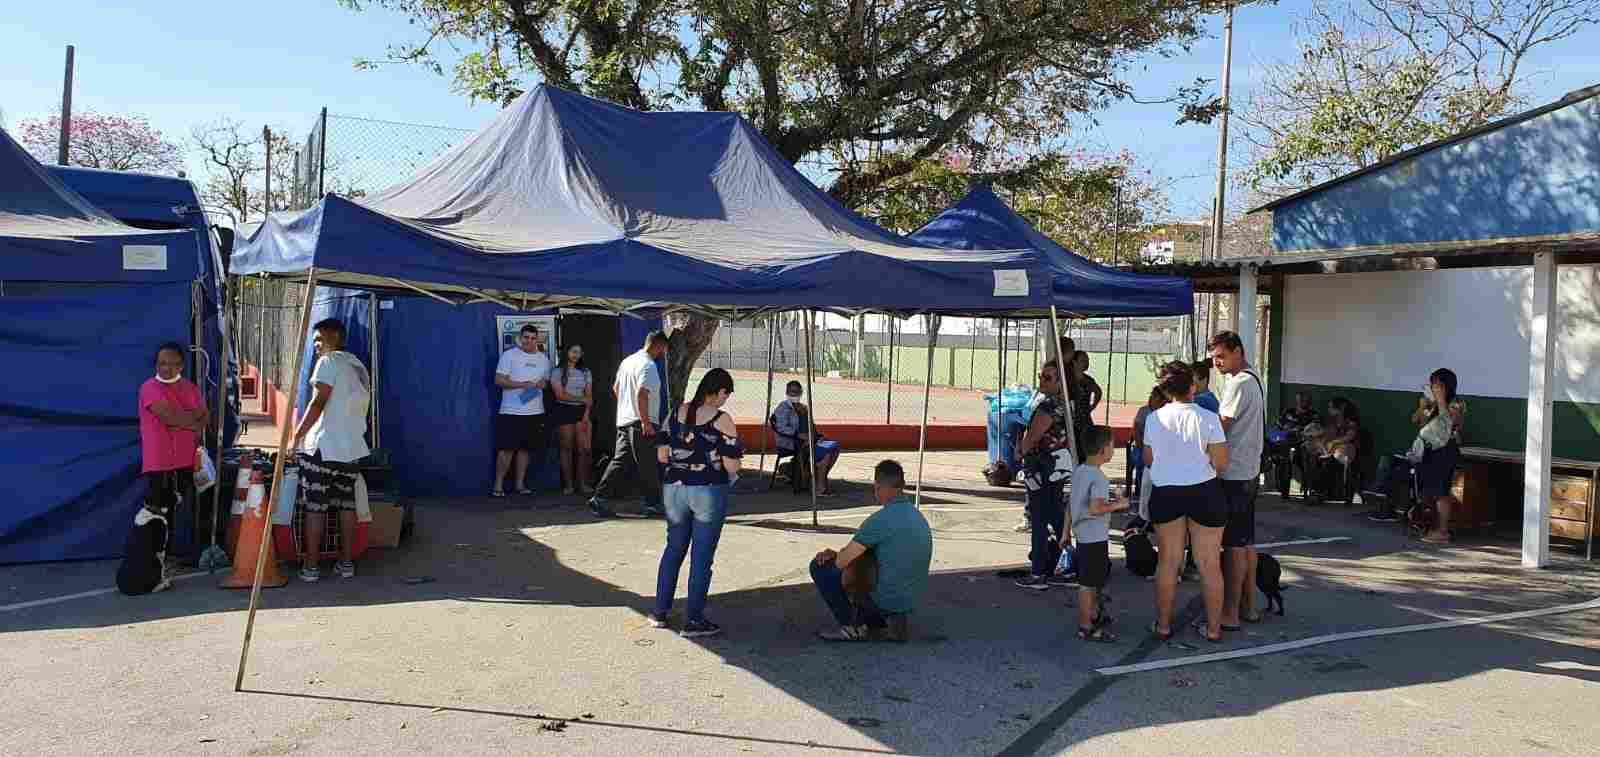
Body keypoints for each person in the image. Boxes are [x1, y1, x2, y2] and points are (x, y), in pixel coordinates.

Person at [650, 368, 743, 637]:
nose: (726, 400)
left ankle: (659, 612)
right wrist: (734, 471)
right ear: (720, 392)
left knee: (673, 550)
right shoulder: (722, 419)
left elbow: (662, 456)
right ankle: (693, 620)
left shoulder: (675, 412)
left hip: (674, 489)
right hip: (708, 490)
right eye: (726, 394)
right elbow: (731, 462)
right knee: (701, 557)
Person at [1143, 360, 1229, 643]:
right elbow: (1221, 463)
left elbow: (1148, 459)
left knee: (1168, 561)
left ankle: (1163, 625)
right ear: (1192, 386)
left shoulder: (1154, 418)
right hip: (1204, 491)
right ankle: (1214, 629)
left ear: (1166, 390)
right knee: (1209, 563)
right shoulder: (1209, 418)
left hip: (1166, 491)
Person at [810, 460, 932, 642]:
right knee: (868, 556)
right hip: (909, 600)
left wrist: (833, 556)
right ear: (902, 485)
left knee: (821, 568)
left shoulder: (880, 520)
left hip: (885, 600)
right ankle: (889, 618)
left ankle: (853, 626)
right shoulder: (918, 516)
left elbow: (841, 562)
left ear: (878, 487)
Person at [293, 318, 372, 582]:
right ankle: (346, 563)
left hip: (323, 448)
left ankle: (311, 567)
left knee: (316, 507)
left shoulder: (329, 362)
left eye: (319, 338)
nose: (316, 345)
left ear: (336, 336)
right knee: (346, 506)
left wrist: (295, 436)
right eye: (314, 340)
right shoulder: (357, 365)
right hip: (351, 449)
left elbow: (318, 403)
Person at [1210, 330, 1266, 628]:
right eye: (1214, 357)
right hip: (1249, 470)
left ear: (1237, 352)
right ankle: (1249, 606)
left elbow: (1221, 427)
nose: (1217, 363)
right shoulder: (1254, 377)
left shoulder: (1238, 383)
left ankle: (1230, 613)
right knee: (1245, 542)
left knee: (1233, 545)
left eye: (1221, 356)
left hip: (1234, 473)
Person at [138, 342, 209, 564]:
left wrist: (186, 423)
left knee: (184, 510)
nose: (165, 368)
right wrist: (190, 422)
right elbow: (170, 418)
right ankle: (156, 557)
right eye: (161, 363)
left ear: (181, 366)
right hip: (159, 462)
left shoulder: (190, 388)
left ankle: (178, 554)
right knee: (158, 513)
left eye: (171, 364)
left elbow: (204, 417)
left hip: (186, 461)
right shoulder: (149, 387)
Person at [591, 331, 669, 518]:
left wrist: (628, 409)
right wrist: (645, 421)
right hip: (640, 422)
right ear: (658, 345)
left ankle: (599, 498)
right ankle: (653, 505)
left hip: (625, 421)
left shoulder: (628, 362)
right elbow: (642, 394)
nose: (664, 353)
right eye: (664, 348)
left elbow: (616, 388)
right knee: (648, 464)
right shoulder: (648, 365)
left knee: (620, 461)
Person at [1015, 359, 1076, 590]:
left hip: (1042, 467)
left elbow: (1032, 437)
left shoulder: (1048, 407)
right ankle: (1069, 563)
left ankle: (1039, 571)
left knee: (1040, 517)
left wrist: (1021, 451)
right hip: (1058, 466)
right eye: (1041, 376)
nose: (1041, 380)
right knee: (1056, 514)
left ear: (1061, 382)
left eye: (1048, 377)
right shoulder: (1066, 404)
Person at [1071, 425, 1129, 642]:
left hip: (1082, 534)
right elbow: (1095, 509)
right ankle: (1086, 625)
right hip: (1094, 536)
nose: (1114, 450)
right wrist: (1118, 504)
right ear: (1104, 450)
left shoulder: (1080, 471)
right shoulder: (1099, 478)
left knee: (1093, 579)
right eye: (1113, 446)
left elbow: (1072, 503)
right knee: (1088, 583)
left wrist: (1066, 532)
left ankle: (1094, 614)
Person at [492, 324, 552, 498]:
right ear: (520, 337)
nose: (529, 341)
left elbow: (546, 383)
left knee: (525, 450)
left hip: (535, 411)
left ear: (537, 339)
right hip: (511, 411)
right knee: (506, 449)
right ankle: (498, 485)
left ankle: (520, 484)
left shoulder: (544, 359)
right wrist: (521, 385)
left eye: (533, 338)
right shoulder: (509, 355)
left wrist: (543, 384)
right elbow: (498, 380)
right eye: (526, 337)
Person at [1409, 369, 1466, 540]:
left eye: (1439, 384)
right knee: (1429, 489)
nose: (1435, 388)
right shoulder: (1431, 404)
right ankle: (1429, 525)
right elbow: (1416, 421)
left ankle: (1442, 531)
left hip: (1446, 450)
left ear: (1448, 386)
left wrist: (1441, 402)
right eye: (1433, 384)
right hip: (1428, 451)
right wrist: (1422, 407)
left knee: (1441, 491)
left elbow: (1449, 424)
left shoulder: (1456, 403)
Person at [771, 381, 841, 496]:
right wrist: (797, 434)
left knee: (835, 447)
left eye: (797, 391)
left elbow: (811, 426)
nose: (794, 394)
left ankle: (819, 478)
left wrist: (818, 436)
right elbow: (781, 427)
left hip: (809, 440)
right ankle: (819, 487)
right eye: (791, 391)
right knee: (826, 454)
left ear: (801, 393)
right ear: (786, 392)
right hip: (793, 442)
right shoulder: (783, 407)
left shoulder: (804, 408)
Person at [549, 343, 595, 496]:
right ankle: (568, 485)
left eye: (579, 352)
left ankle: (583, 484)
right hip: (563, 411)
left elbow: (589, 397)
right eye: (573, 351)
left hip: (581, 413)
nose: (576, 354)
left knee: (584, 450)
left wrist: (586, 414)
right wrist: (582, 400)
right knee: (566, 448)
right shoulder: (557, 371)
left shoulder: (586, 371)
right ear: (566, 352)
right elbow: (559, 395)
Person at [1307, 398, 1362, 503]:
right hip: (1332, 451)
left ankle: (1321, 492)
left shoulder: (1350, 421)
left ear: (1340, 409)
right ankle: (1317, 491)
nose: (1329, 410)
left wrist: (1334, 442)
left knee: (1328, 461)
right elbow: (1327, 435)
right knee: (1315, 458)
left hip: (1346, 452)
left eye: (1331, 407)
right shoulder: (1332, 421)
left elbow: (1350, 436)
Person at [1128, 387, 1167, 524]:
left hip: (1158, 451)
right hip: (1142, 447)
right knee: (1140, 462)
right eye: (1151, 395)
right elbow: (1136, 430)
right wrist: (1141, 446)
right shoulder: (1143, 411)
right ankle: (1140, 494)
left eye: (1155, 396)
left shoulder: (1164, 413)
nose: (1151, 398)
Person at [1067, 351, 1102, 461]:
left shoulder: (1088, 380)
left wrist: (1093, 406)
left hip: (1084, 421)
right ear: (1074, 362)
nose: (1086, 363)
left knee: (1085, 449)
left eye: (1087, 361)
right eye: (1083, 361)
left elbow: (1098, 392)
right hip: (1069, 420)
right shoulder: (1067, 380)